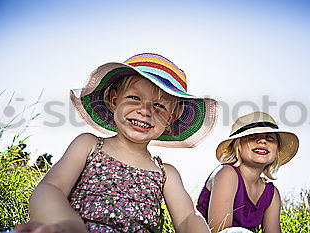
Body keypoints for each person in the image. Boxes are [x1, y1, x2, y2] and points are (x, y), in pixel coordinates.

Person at [16, 53, 218, 233]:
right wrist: (64, 223)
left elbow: (187, 218)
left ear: (171, 119)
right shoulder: (89, 145)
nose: (145, 111)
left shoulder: (166, 173)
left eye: (158, 105)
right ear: (114, 101)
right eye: (134, 98)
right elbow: (51, 187)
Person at [196, 112, 299, 233]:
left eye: (269, 138)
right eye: (253, 136)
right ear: (237, 145)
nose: (262, 141)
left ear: (276, 151)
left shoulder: (271, 194)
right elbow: (219, 230)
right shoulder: (227, 174)